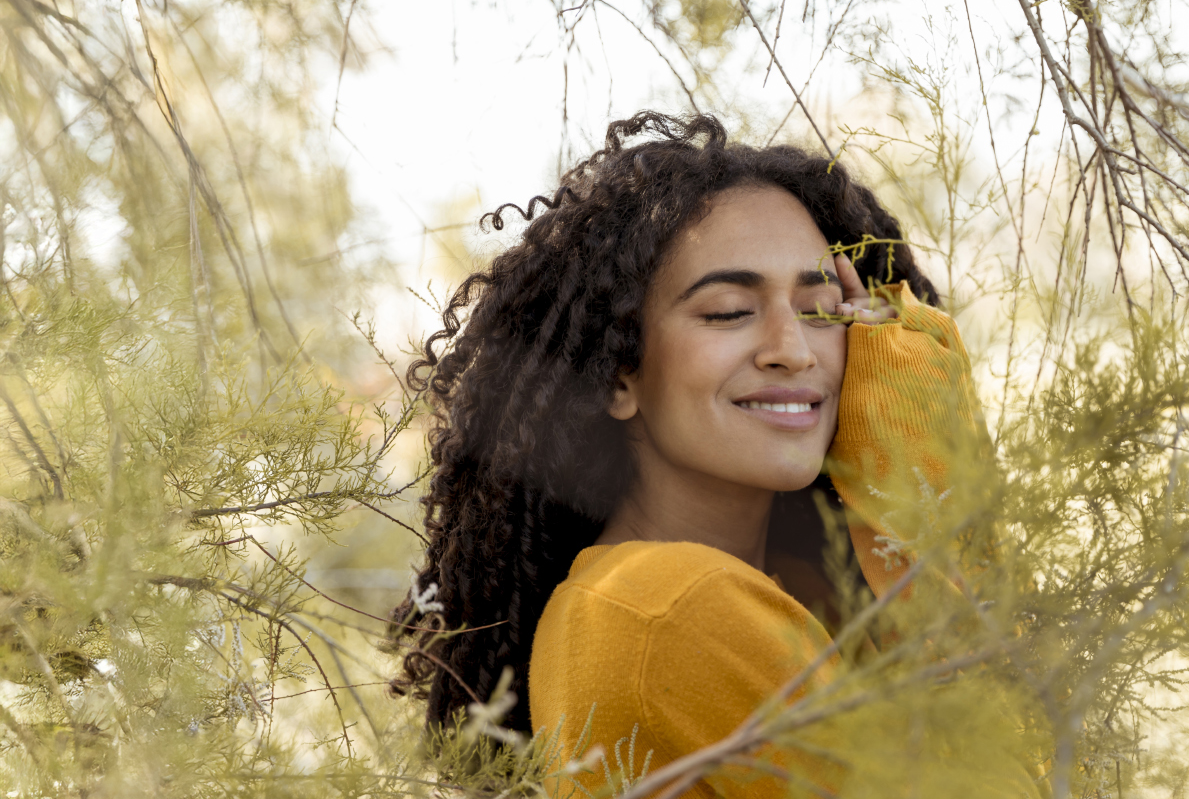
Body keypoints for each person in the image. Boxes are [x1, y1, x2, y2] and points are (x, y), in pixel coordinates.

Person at [390, 112, 995, 796]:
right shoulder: (673, 607)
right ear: (619, 374)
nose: (792, 349)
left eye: (823, 310)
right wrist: (920, 463)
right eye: (729, 311)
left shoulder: (743, 597)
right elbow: (1015, 767)